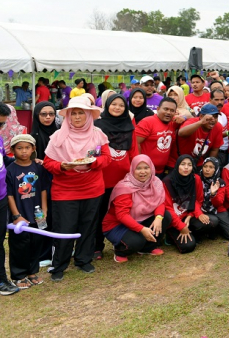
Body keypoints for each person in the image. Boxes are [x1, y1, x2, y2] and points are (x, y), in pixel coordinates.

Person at [43, 95, 112, 282]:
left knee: (88, 226)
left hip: (92, 188)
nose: (77, 117)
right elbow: (48, 163)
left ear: (89, 115)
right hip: (65, 190)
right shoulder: (58, 136)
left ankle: (83, 259)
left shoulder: (98, 134)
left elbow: (107, 158)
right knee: (65, 228)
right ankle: (59, 264)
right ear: (68, 116)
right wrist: (61, 166)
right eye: (73, 113)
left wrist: (94, 163)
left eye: (81, 113)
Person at [101, 155, 170, 263]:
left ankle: (147, 248)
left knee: (165, 216)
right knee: (137, 241)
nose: (143, 172)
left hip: (140, 219)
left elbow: (160, 202)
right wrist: (142, 229)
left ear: (151, 168)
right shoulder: (125, 187)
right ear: (132, 169)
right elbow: (121, 215)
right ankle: (120, 250)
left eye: (146, 168)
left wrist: (158, 218)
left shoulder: (155, 182)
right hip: (117, 225)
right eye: (138, 168)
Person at [93, 94, 137, 259]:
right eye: (114, 104)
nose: (117, 108)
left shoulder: (129, 125)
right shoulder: (97, 125)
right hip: (102, 178)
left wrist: (134, 174)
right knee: (99, 213)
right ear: (107, 105)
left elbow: (133, 151)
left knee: (122, 212)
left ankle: (121, 243)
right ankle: (97, 246)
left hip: (123, 179)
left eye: (121, 105)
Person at [5, 135, 48, 289]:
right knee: (20, 245)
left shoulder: (38, 167)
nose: (24, 151)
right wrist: (16, 215)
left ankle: (32, 272)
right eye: (20, 148)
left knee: (36, 242)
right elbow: (9, 195)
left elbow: (43, 189)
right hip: (20, 214)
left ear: (33, 149)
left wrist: (44, 209)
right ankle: (18, 275)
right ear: (12, 150)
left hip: (37, 213)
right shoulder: (10, 170)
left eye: (27, 147)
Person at [162, 155, 218, 252]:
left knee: (213, 221)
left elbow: (198, 200)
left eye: (189, 165)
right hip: (174, 219)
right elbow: (168, 208)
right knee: (188, 247)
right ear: (177, 165)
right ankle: (170, 235)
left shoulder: (195, 178)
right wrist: (181, 227)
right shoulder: (167, 182)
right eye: (183, 164)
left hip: (188, 214)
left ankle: (191, 232)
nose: (186, 167)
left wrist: (190, 216)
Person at [135, 98, 181, 176]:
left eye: (172, 110)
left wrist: (185, 117)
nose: (168, 112)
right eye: (166, 109)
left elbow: (189, 116)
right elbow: (135, 143)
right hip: (146, 171)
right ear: (158, 109)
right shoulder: (147, 122)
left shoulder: (173, 123)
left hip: (162, 170)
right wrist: (140, 164)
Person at [199, 157, 229, 240]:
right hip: (202, 209)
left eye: (211, 167)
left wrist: (213, 194)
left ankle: (217, 229)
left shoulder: (219, 182)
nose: (207, 170)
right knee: (213, 221)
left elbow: (218, 203)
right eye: (205, 166)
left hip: (218, 210)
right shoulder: (198, 180)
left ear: (216, 169)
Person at [175, 103, 223, 168]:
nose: (213, 120)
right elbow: (181, 133)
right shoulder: (192, 122)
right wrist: (201, 122)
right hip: (178, 161)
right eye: (210, 117)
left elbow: (214, 149)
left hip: (198, 162)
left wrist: (209, 165)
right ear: (201, 116)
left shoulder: (218, 127)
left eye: (215, 117)